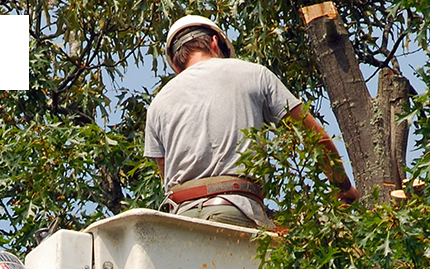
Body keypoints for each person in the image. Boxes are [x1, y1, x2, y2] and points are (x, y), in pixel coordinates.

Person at [143, 15, 360, 229]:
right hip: (236, 209)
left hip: (180, 224)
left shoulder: (157, 104)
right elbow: (313, 136)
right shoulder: (254, 74)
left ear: (177, 65)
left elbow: (166, 174)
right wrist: (343, 187)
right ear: (215, 43)